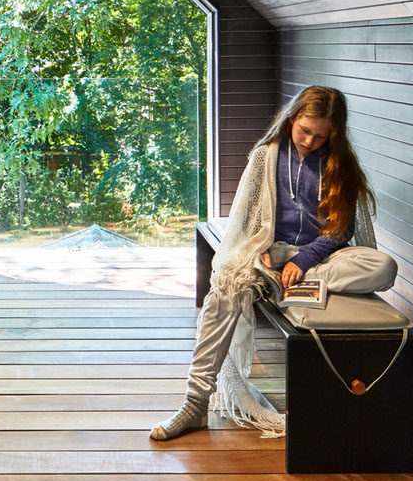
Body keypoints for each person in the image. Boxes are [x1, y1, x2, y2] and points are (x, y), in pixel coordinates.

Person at [150, 85, 397, 440]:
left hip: (321, 256)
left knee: (383, 266)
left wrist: (306, 258)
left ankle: (292, 280)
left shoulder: (339, 164)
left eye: (320, 136)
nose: (310, 140)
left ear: (334, 134)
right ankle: (195, 404)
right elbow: (246, 219)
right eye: (304, 130)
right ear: (292, 118)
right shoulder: (266, 156)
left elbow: (341, 230)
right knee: (225, 289)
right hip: (269, 252)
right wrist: (260, 247)